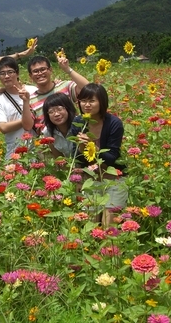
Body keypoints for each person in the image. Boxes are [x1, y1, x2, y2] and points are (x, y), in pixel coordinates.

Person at [70, 83, 125, 226]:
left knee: (109, 225)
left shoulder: (114, 123)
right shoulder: (78, 122)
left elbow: (112, 157)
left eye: (92, 101)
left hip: (113, 179)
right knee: (90, 224)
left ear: (102, 102)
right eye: (83, 101)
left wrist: (92, 146)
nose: (87, 105)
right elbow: (77, 157)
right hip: (90, 179)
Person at [27, 51, 89, 132]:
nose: (40, 73)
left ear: (50, 70)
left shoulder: (65, 86)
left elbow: (88, 88)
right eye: (35, 71)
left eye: (43, 69)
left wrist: (67, 69)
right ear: (30, 76)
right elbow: (28, 126)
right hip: (51, 142)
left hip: (75, 137)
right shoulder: (30, 100)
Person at [0, 57, 36, 159]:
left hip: (38, 148)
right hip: (14, 152)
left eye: (10, 72)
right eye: (2, 73)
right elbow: (3, 127)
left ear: (17, 73)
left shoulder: (33, 90)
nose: (6, 76)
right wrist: (27, 119)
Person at [41, 93, 77, 159]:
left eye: (59, 109)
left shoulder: (80, 125)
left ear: (68, 108)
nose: (56, 114)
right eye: (51, 112)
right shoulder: (48, 132)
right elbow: (59, 159)